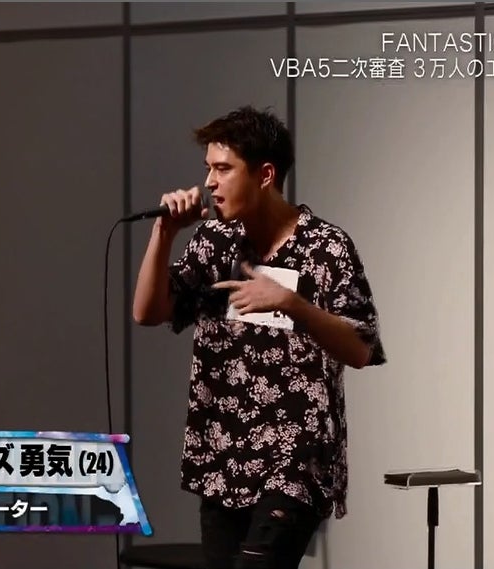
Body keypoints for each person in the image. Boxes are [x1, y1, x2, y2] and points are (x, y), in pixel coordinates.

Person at [132, 105, 386, 569]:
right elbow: (147, 312)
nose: (209, 182)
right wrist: (164, 233)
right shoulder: (213, 241)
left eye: (223, 169)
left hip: (295, 462)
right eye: (208, 168)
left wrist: (292, 304)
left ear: (265, 175)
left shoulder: (327, 247)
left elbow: (362, 348)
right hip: (221, 458)